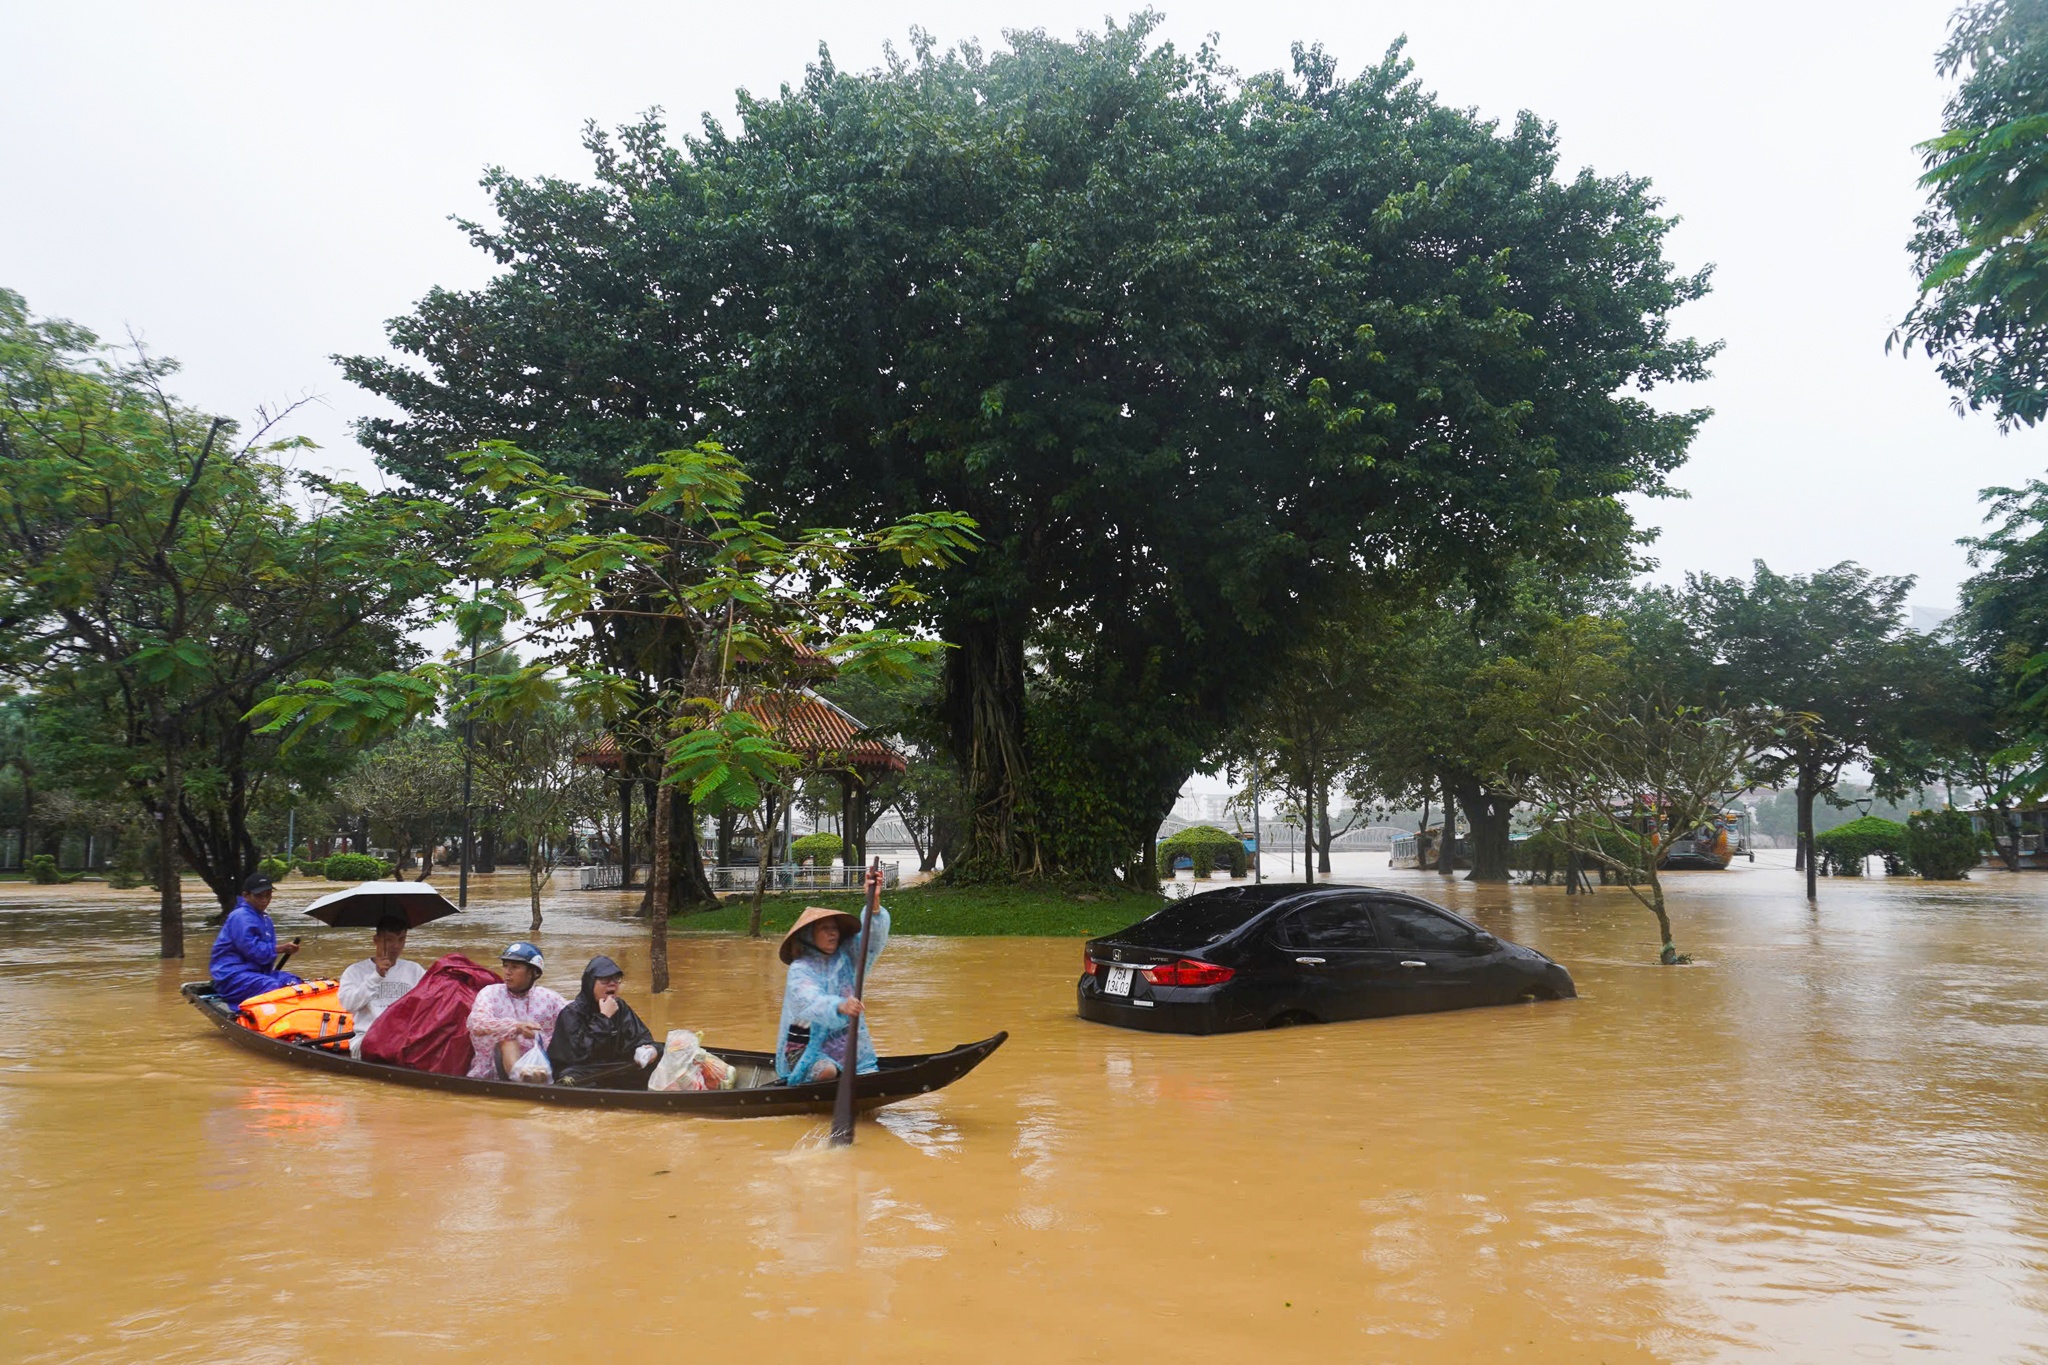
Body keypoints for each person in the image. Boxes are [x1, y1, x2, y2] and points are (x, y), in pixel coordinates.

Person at [774, 865, 890, 1085]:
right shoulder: (800, 968)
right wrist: (839, 1006)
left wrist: (873, 902)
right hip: (806, 1047)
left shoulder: (846, 958)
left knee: (864, 1072)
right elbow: (809, 1000)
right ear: (809, 935)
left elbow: (871, 943)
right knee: (826, 1072)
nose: (833, 933)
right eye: (825, 929)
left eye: (835, 928)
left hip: (846, 1044)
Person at [546, 955, 659, 1083]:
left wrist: (650, 1050)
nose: (612, 984)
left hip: (612, 1068)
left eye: (616, 979)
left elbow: (641, 1038)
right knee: (571, 1078)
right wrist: (604, 1018)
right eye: (605, 980)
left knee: (662, 1053)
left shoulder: (620, 1007)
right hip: (583, 1071)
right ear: (590, 983)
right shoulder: (571, 1013)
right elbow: (580, 1055)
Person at [464, 942, 568, 1081]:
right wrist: (516, 1027)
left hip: (541, 1065)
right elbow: (477, 1023)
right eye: (506, 966)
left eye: (515, 967)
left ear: (534, 972)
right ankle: (521, 1081)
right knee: (507, 1039)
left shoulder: (549, 998)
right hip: (495, 1068)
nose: (507, 972)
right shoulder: (491, 993)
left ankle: (539, 1078)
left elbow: (572, 1018)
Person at [208, 871, 303, 1006]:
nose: (264, 900)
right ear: (246, 896)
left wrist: (278, 950)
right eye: (259, 896)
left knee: (295, 982)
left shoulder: (265, 918)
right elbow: (252, 950)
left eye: (268, 895)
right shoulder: (240, 917)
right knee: (271, 986)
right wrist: (280, 949)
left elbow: (264, 955)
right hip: (233, 975)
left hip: (257, 973)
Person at [337, 914, 426, 1057]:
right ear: (376, 940)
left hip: (406, 1038)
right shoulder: (355, 971)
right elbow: (349, 1005)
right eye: (389, 940)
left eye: (401, 939)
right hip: (368, 1038)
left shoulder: (415, 970)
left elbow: (429, 1006)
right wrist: (376, 976)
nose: (396, 946)